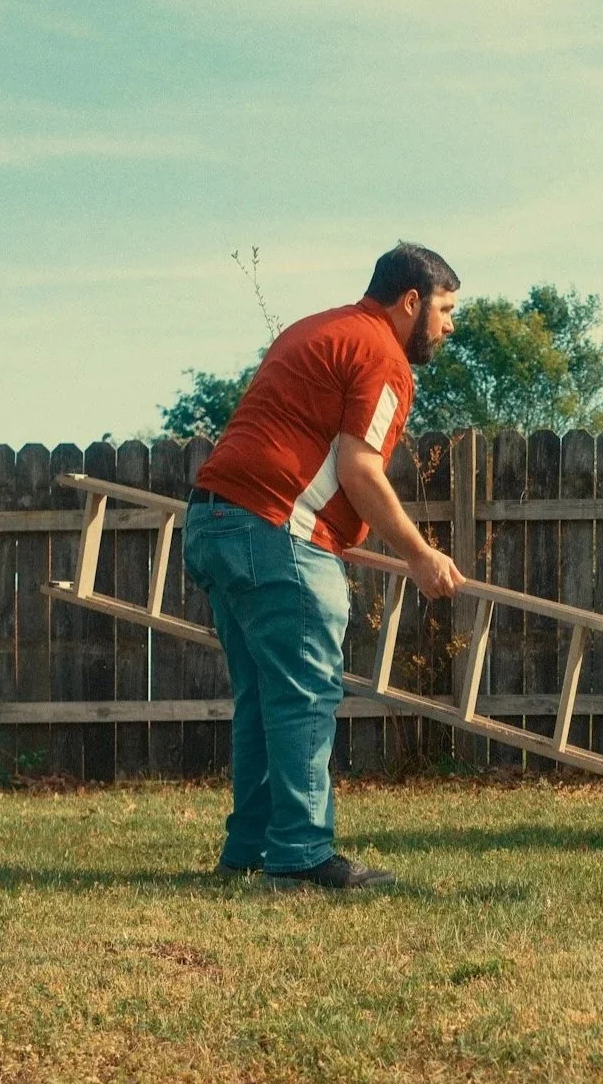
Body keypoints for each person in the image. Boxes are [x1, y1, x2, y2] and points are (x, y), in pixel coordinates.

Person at [183, 243, 467, 889]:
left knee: (262, 697)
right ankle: (302, 855)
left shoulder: (317, 328)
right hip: (276, 529)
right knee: (305, 695)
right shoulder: (384, 358)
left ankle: (250, 848)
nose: (449, 326)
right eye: (446, 310)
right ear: (411, 302)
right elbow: (358, 468)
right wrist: (421, 556)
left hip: (212, 520)